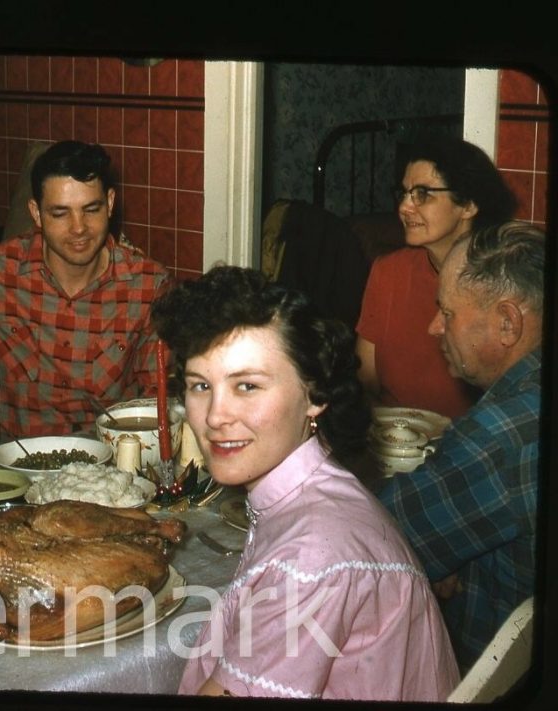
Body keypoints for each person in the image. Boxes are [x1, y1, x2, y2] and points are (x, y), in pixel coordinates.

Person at [153, 265, 458, 700]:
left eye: (247, 386)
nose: (215, 416)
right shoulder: (312, 497)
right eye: (201, 385)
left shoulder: (313, 556)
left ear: (314, 396)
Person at [378, 221, 543, 672]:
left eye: (447, 313)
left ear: (508, 322)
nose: (434, 328)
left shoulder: (500, 433)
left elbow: (368, 542)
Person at [0, 140, 170, 436]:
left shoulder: (149, 286)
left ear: (110, 203)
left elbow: (156, 399)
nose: (78, 228)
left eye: (91, 210)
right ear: (36, 213)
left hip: (106, 468)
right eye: (60, 213)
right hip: (13, 467)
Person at [355, 135, 516, 419]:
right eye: (404, 193)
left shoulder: (505, 283)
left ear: (468, 205)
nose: (405, 207)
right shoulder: (388, 272)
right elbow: (365, 381)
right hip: (397, 443)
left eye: (423, 194)